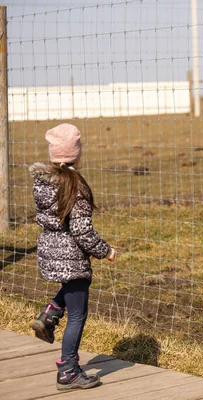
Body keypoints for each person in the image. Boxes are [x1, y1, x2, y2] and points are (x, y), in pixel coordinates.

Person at [29, 123, 115, 391]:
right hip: (71, 258)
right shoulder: (74, 186)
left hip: (50, 252)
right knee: (77, 315)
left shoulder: (44, 183)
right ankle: (68, 370)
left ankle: (50, 313)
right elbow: (81, 230)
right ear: (76, 154)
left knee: (70, 291)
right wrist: (105, 250)